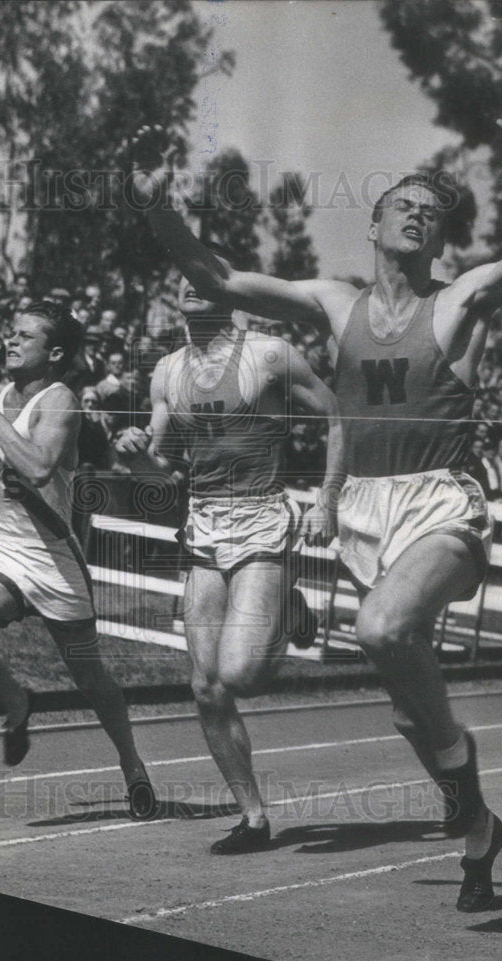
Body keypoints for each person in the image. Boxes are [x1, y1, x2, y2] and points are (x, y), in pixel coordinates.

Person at [126, 83, 502, 904]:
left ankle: (464, 788)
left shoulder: (462, 301)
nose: (415, 217)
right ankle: (476, 822)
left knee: (381, 627)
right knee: (410, 708)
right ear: (372, 227)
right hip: (367, 510)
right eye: (400, 207)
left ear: (440, 235)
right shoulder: (335, 305)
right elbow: (219, 278)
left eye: (429, 212)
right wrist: (158, 208)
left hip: (440, 503)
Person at [115, 262, 342, 854]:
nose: (190, 282)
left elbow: (339, 412)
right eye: (182, 275)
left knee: (241, 672)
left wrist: (328, 500)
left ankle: (288, 607)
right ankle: (253, 816)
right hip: (204, 522)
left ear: (227, 289)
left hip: (263, 517)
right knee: (206, 685)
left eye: (204, 274)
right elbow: (159, 468)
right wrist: (134, 454)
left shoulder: (270, 355)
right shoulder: (167, 372)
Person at [0, 300, 156, 819]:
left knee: (90, 677)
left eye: (24, 336)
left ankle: (133, 766)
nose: (11, 341)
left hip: (53, 555)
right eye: (10, 332)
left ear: (53, 353)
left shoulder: (63, 403)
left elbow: (36, 467)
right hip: (0, 549)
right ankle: (17, 701)